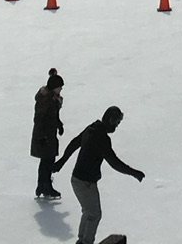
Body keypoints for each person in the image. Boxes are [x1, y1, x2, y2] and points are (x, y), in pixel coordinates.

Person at [53, 104, 144, 244]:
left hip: (77, 179)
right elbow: (114, 162)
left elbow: (74, 143)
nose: (117, 126)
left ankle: (82, 241)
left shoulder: (92, 128)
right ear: (110, 120)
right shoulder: (101, 138)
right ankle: (86, 241)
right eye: (117, 122)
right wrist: (133, 172)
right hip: (86, 182)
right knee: (94, 214)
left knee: (88, 211)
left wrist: (61, 162)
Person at [32, 67, 66, 198]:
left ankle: (42, 185)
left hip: (48, 134)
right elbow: (39, 118)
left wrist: (59, 125)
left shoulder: (51, 98)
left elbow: (53, 116)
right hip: (45, 135)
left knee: (47, 160)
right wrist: (42, 136)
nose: (61, 89)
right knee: (47, 160)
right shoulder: (47, 101)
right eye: (60, 87)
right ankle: (45, 186)